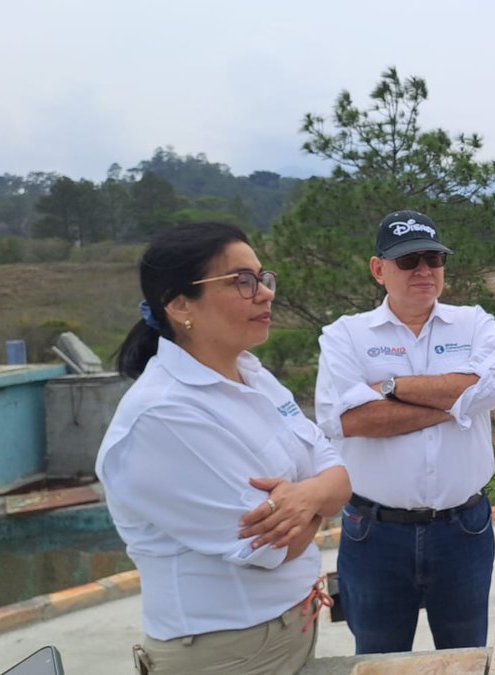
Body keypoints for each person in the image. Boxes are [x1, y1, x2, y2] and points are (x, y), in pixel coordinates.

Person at [96, 222, 351, 675]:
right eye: (241, 281)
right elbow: (273, 547)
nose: (265, 293)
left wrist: (306, 497)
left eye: (262, 277)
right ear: (179, 304)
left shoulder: (252, 375)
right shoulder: (162, 416)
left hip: (293, 625)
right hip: (225, 653)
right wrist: (321, 494)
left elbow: (338, 471)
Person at [315, 210, 495, 654]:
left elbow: (491, 389)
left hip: (464, 530)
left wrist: (388, 387)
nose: (423, 270)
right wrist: (456, 404)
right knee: (379, 659)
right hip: (375, 533)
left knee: (465, 657)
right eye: (408, 261)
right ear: (378, 269)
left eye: (433, 259)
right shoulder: (346, 335)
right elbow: (346, 420)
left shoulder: (475, 323)